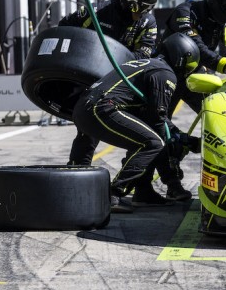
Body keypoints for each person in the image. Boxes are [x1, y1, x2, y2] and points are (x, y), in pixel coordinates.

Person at [59, 0, 169, 200]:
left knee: (146, 132)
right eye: (141, 8)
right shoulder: (97, 11)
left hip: (127, 84)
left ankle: (143, 188)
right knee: (88, 131)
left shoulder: (148, 22)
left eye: (149, 8)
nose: (144, 13)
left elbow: (143, 55)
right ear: (128, 1)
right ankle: (76, 179)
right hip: (95, 82)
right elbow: (64, 28)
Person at [72, 33, 200, 213]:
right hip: (101, 108)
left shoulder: (147, 64)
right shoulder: (165, 73)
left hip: (83, 107)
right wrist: (185, 143)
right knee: (154, 143)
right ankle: (113, 193)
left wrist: (180, 138)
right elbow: (158, 120)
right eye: (190, 66)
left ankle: (144, 192)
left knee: (145, 137)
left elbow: (151, 120)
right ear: (181, 58)